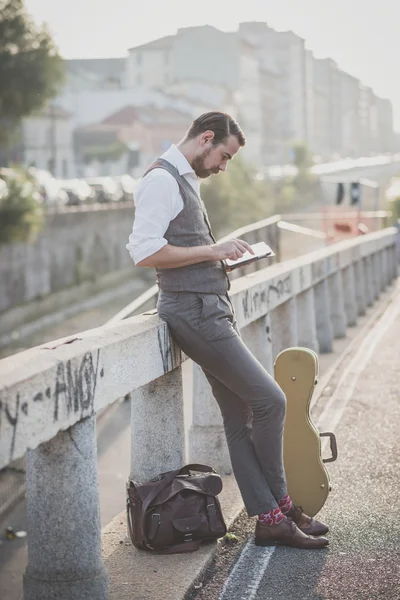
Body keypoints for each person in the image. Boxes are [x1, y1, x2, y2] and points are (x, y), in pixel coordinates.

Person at [126, 111, 329, 549]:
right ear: (205, 139)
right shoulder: (161, 180)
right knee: (271, 400)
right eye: (224, 156)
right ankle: (280, 506)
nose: (224, 166)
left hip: (207, 306)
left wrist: (221, 258)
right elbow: (144, 252)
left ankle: (273, 517)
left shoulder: (186, 178)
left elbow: (182, 246)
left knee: (239, 418)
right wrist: (212, 250)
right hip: (194, 312)